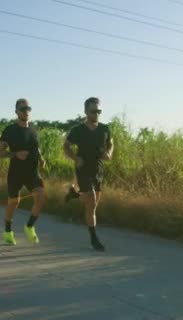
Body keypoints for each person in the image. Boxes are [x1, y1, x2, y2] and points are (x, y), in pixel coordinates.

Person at [63, 97, 113, 251]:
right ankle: (94, 239)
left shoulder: (104, 129)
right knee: (91, 203)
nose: (96, 114)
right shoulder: (78, 130)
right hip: (83, 169)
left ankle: (75, 194)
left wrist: (109, 153)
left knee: (93, 205)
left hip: (98, 170)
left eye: (99, 111)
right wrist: (75, 158)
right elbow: (66, 146)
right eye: (93, 111)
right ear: (86, 112)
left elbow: (110, 143)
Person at [0, 98, 46, 245]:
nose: (27, 111)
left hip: (32, 172)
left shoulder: (34, 129)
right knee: (14, 203)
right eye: (23, 109)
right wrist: (15, 154)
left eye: (28, 108)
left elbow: (36, 148)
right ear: (16, 112)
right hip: (16, 173)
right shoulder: (10, 130)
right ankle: (7, 231)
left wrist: (42, 159)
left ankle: (29, 226)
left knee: (41, 197)